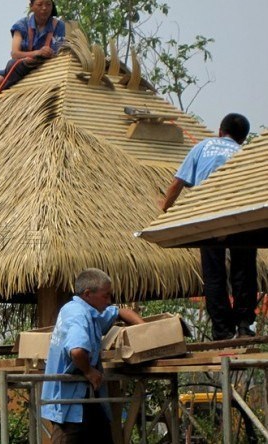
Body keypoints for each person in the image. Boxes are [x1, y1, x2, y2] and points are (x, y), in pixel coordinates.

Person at [160, 113, 257, 341]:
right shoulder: (246, 153)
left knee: (214, 274)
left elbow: (177, 183)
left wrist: (165, 210)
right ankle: (244, 326)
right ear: (242, 139)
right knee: (244, 271)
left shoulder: (202, 147)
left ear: (220, 132)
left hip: (208, 216)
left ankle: (222, 331)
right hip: (240, 215)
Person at [41, 268, 144, 444]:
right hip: (71, 400)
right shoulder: (77, 315)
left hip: (88, 398)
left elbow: (120, 312)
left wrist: (146, 330)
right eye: (105, 296)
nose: (109, 300)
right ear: (88, 294)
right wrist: (89, 371)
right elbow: (77, 351)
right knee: (70, 436)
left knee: (102, 432)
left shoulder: (92, 312)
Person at [0, 0, 65, 98]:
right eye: (39, 4)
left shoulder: (59, 26)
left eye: (48, 4)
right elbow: (15, 53)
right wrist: (37, 53)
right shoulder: (22, 25)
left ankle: (11, 93)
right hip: (22, 65)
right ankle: (6, 97)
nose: (44, 8)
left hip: (46, 67)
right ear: (31, 6)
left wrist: (50, 53)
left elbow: (60, 52)